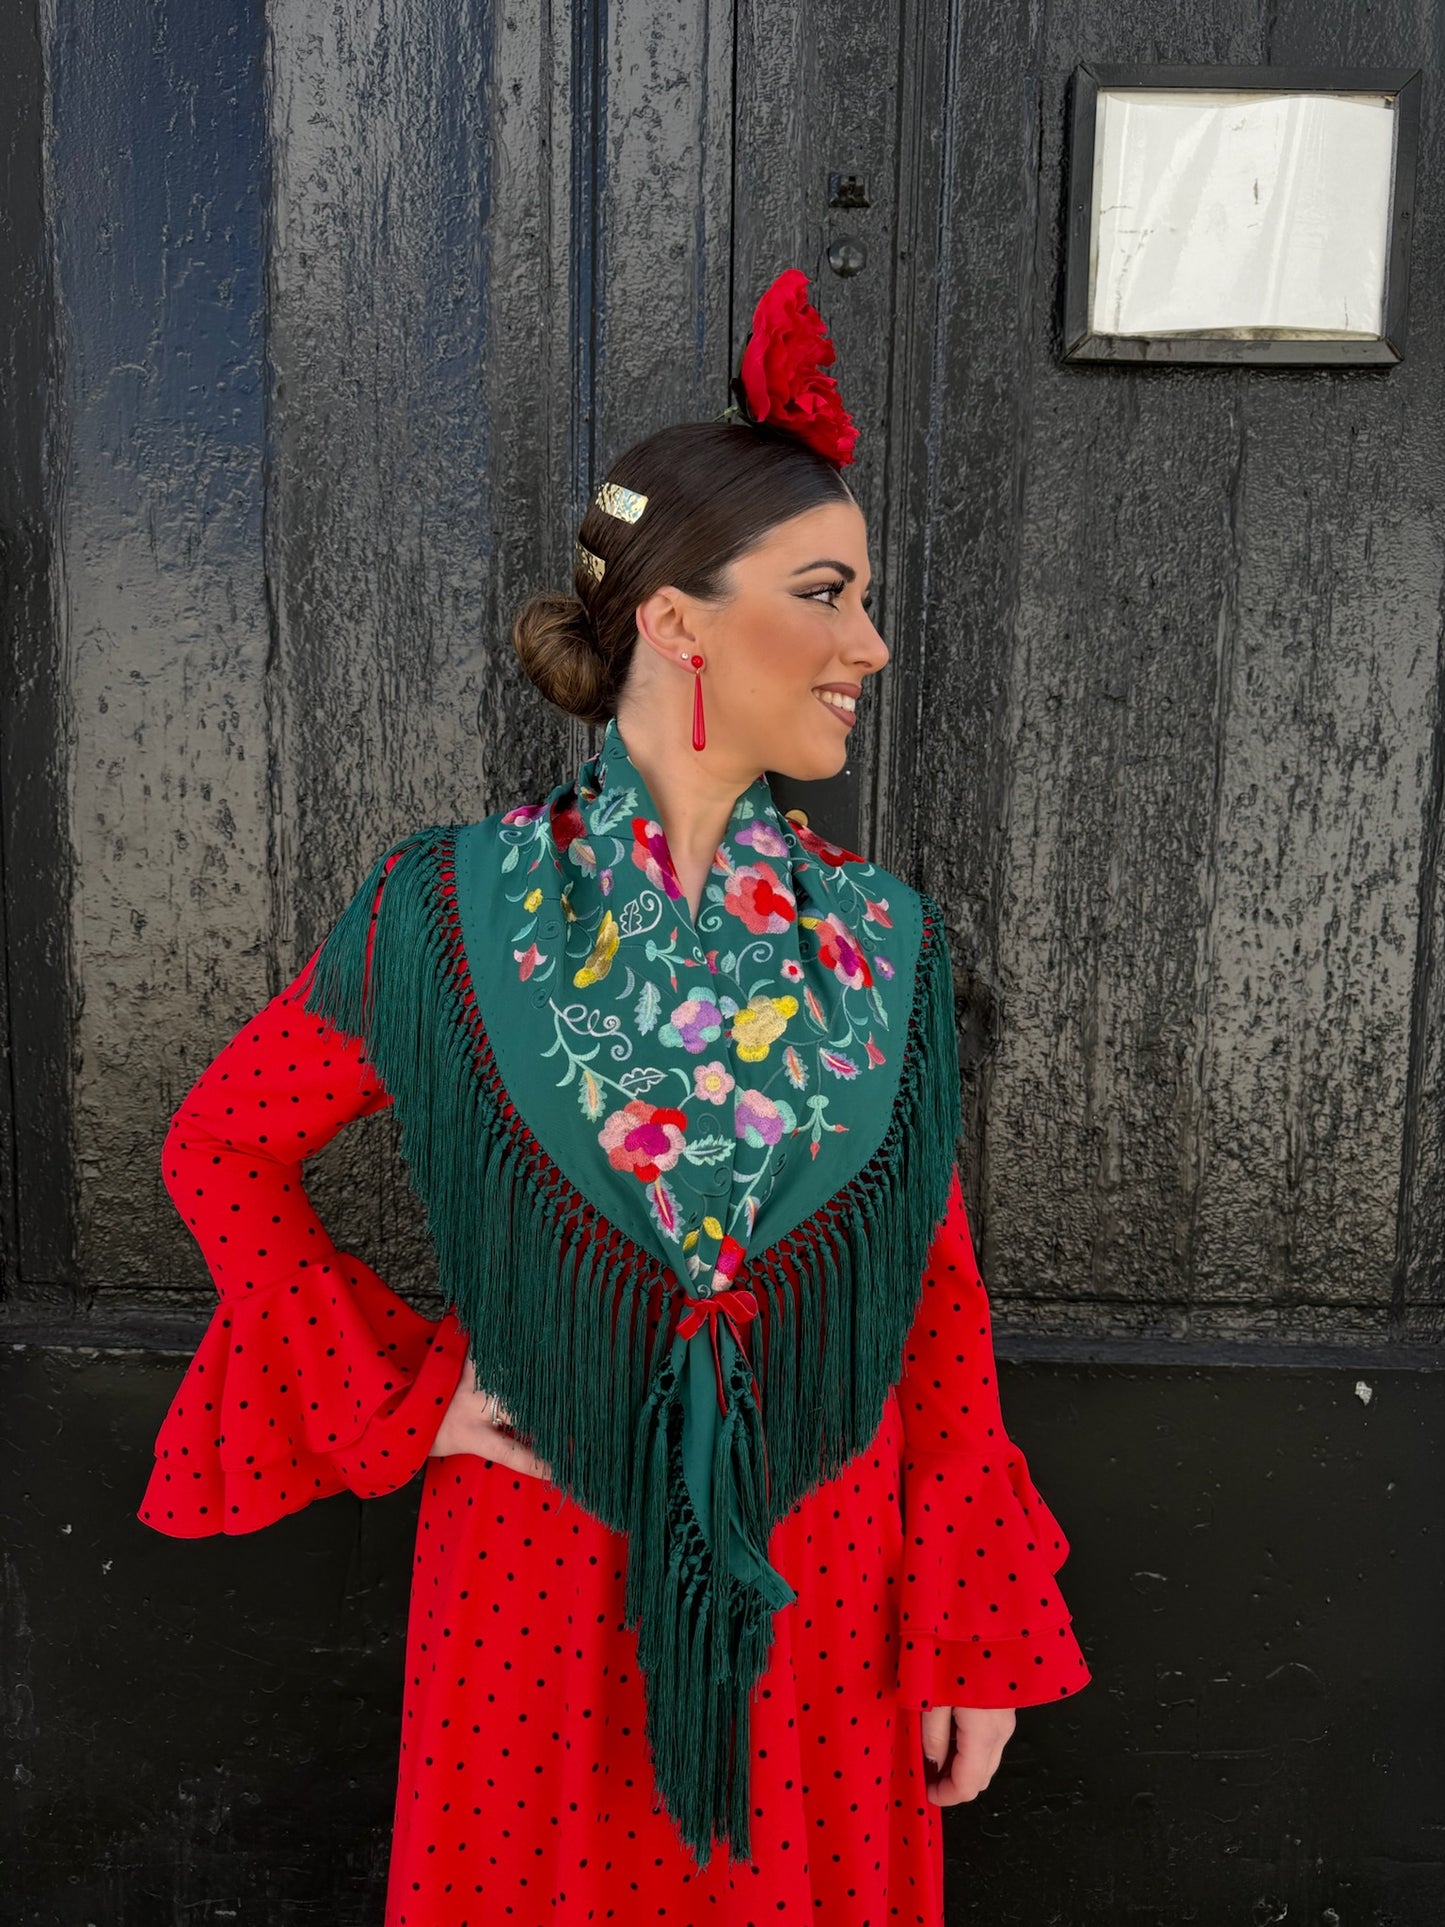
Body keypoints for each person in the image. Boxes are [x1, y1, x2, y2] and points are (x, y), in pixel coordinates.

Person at [140, 268, 1090, 1925]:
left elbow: (933, 1315)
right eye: (825, 592)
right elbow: (224, 1146)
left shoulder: (885, 947)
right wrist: (403, 1392)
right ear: (677, 619)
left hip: (829, 1592)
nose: (869, 642)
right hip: (546, 1587)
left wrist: (970, 1633)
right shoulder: (450, 912)